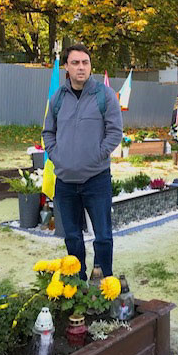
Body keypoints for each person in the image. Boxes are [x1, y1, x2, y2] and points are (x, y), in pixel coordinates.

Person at [42, 44, 123, 279]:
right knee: (72, 237)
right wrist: (58, 157)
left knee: (103, 236)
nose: (81, 67)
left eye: (85, 63)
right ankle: (77, 282)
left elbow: (115, 132)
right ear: (66, 67)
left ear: (90, 66)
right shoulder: (58, 98)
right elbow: (48, 132)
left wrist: (96, 156)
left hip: (96, 179)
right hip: (65, 182)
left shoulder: (104, 95)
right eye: (75, 63)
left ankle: (102, 282)